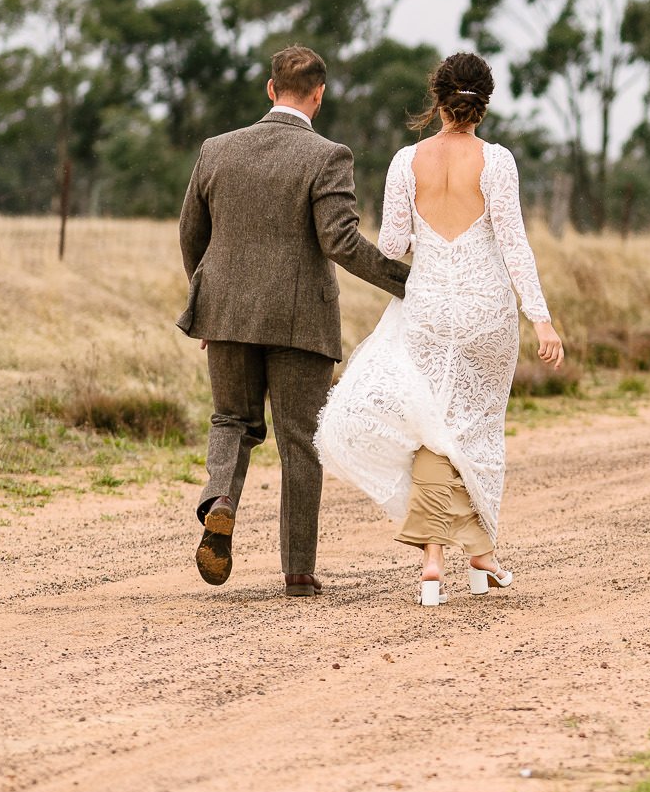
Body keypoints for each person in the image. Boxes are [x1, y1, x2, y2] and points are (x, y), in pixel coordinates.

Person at [316, 52, 563, 605]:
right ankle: (482, 557)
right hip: (486, 310)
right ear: (484, 103)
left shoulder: (407, 161)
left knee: (432, 427)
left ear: (438, 96)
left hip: (427, 308)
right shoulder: (497, 162)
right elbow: (514, 245)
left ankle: (434, 564)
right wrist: (541, 319)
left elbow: (393, 246)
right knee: (476, 429)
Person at [179, 44, 413, 596]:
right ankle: (299, 573)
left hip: (227, 314)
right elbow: (341, 241)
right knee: (300, 441)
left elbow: (191, 233)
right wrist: (408, 283)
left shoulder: (217, 150)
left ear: (269, 89)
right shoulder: (327, 156)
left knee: (231, 421)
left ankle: (221, 501)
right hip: (300, 322)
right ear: (319, 95)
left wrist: (207, 301)